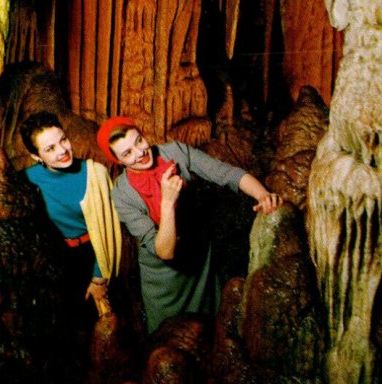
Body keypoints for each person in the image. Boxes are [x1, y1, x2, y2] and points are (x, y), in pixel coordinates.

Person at [96, 115, 281, 335]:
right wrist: (167, 203)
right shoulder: (122, 195)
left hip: (199, 259)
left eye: (139, 141)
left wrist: (263, 195)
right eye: (127, 153)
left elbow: (226, 173)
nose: (140, 153)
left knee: (211, 330)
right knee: (168, 340)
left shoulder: (175, 152)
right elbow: (164, 251)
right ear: (118, 161)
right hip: (164, 279)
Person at [20, 111, 122, 320]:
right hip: (55, 259)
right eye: (50, 148)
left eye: (63, 140)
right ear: (36, 156)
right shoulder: (28, 179)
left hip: (92, 255)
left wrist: (98, 278)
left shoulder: (95, 173)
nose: (63, 150)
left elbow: (110, 231)